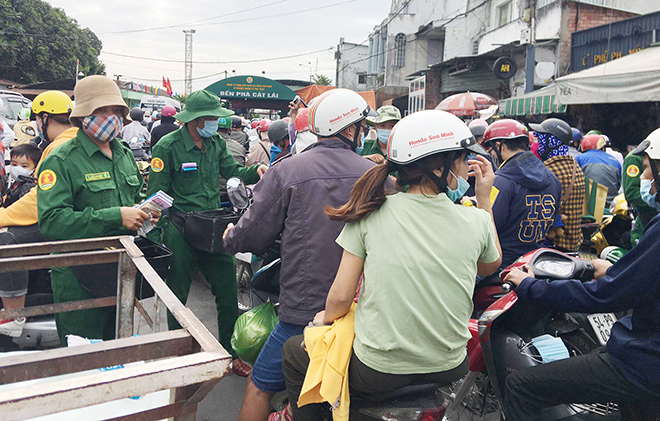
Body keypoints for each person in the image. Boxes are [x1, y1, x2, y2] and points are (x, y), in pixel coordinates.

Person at [279, 110, 502, 421]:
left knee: (292, 352)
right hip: (450, 365)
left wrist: (322, 319)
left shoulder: (371, 214)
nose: (466, 168)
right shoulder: (474, 218)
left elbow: (340, 298)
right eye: (462, 159)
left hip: (378, 371)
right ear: (439, 167)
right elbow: (490, 265)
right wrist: (484, 200)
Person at [223, 89, 378, 421]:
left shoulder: (287, 170)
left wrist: (231, 238)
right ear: (351, 129)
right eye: (362, 126)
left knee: (260, 384)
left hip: (304, 311)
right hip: (363, 311)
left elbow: (255, 231)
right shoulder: (376, 176)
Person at [502, 132, 660, 418]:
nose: (644, 176)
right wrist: (615, 272)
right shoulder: (562, 169)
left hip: (645, 363)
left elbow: (606, 295)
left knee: (520, 386)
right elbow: (643, 280)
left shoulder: (505, 179)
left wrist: (531, 287)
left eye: (648, 167)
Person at [146, 89, 267, 375]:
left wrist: (258, 170)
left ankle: (230, 353)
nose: (215, 122)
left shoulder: (216, 144)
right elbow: (156, 195)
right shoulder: (167, 147)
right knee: (177, 297)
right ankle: (179, 357)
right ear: (195, 120)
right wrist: (156, 234)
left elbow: (233, 171)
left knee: (227, 292)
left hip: (213, 227)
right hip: (181, 229)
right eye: (210, 117)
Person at [37, 76, 153, 344]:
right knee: (83, 355)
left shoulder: (123, 154)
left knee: (117, 348)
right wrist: (116, 216)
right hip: (79, 276)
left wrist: (146, 212)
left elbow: (133, 198)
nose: (110, 117)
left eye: (115, 111)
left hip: (121, 270)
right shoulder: (61, 160)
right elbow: (52, 222)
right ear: (83, 115)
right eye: (101, 111)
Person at [0, 91, 77, 338]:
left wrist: (3, 217)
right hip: (71, 215)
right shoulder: (70, 139)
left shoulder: (59, 148)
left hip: (62, 220)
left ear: (44, 118)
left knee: (7, 239)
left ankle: (14, 315)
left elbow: (38, 200)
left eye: (37, 119)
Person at [481, 119, 561, 269]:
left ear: (499, 146)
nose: (492, 155)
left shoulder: (500, 181)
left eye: (491, 150)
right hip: (536, 262)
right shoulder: (553, 179)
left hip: (502, 265)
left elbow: (488, 227)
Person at [530, 118, 586, 252]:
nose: (535, 145)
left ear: (552, 142)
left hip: (553, 245)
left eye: (539, 140)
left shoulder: (547, 171)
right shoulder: (574, 166)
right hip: (573, 243)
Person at [622, 144, 657, 246]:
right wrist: (654, 203)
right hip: (646, 218)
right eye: (644, 167)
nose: (643, 176)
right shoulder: (635, 158)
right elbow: (632, 192)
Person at [576, 133, 622, 205]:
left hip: (588, 205)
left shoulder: (579, 158)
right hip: (611, 204)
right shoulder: (615, 160)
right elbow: (618, 184)